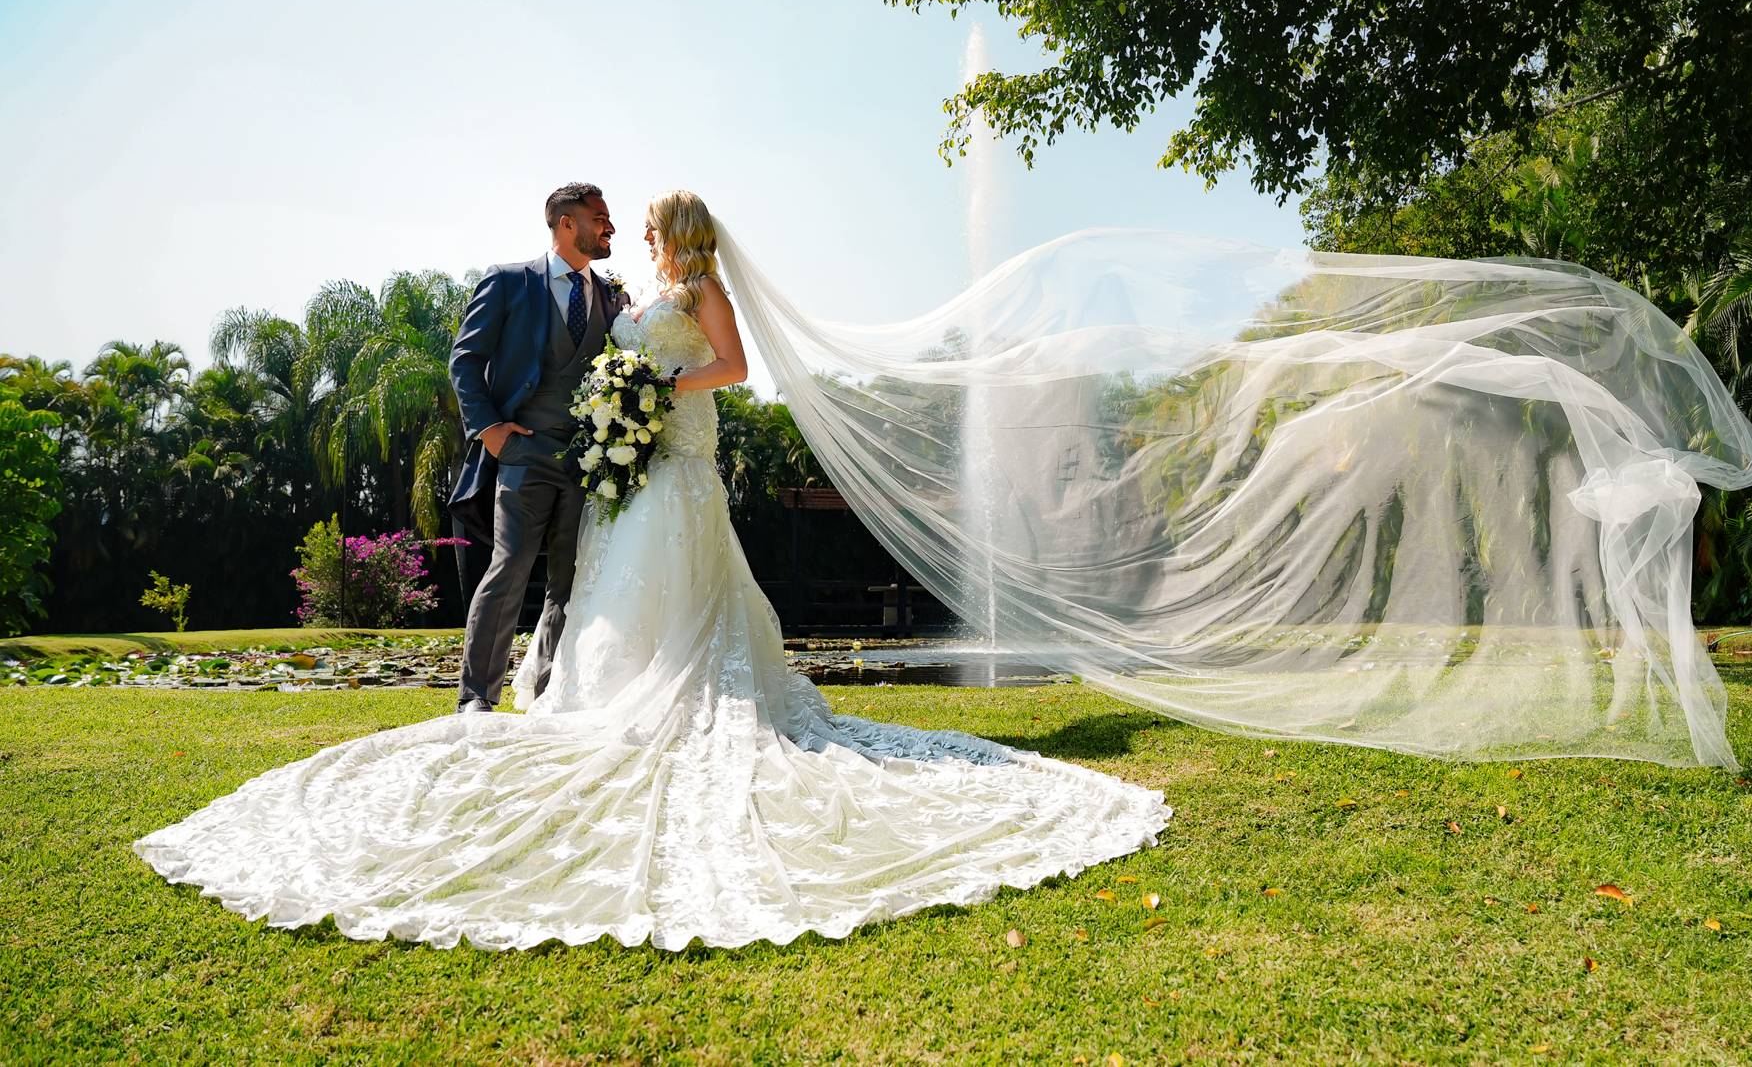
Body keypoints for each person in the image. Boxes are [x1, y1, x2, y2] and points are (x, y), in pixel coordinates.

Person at [133, 189, 1171, 952]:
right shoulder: (624, 289)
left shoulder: (697, 288)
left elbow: (730, 369)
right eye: (603, 220)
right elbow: (555, 360)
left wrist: (652, 384)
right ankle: (516, 693)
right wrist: (570, 412)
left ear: (674, 232)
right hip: (612, 467)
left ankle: (668, 692)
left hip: (673, 463)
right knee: (561, 585)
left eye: (637, 223)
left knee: (630, 587)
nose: (620, 232)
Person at [447, 182, 628, 712]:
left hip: (591, 460)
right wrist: (491, 431)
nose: (609, 227)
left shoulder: (612, 294)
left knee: (569, 582)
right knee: (510, 567)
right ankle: (476, 697)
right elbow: (465, 360)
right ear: (566, 223)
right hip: (523, 450)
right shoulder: (508, 282)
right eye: (599, 218)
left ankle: (549, 696)